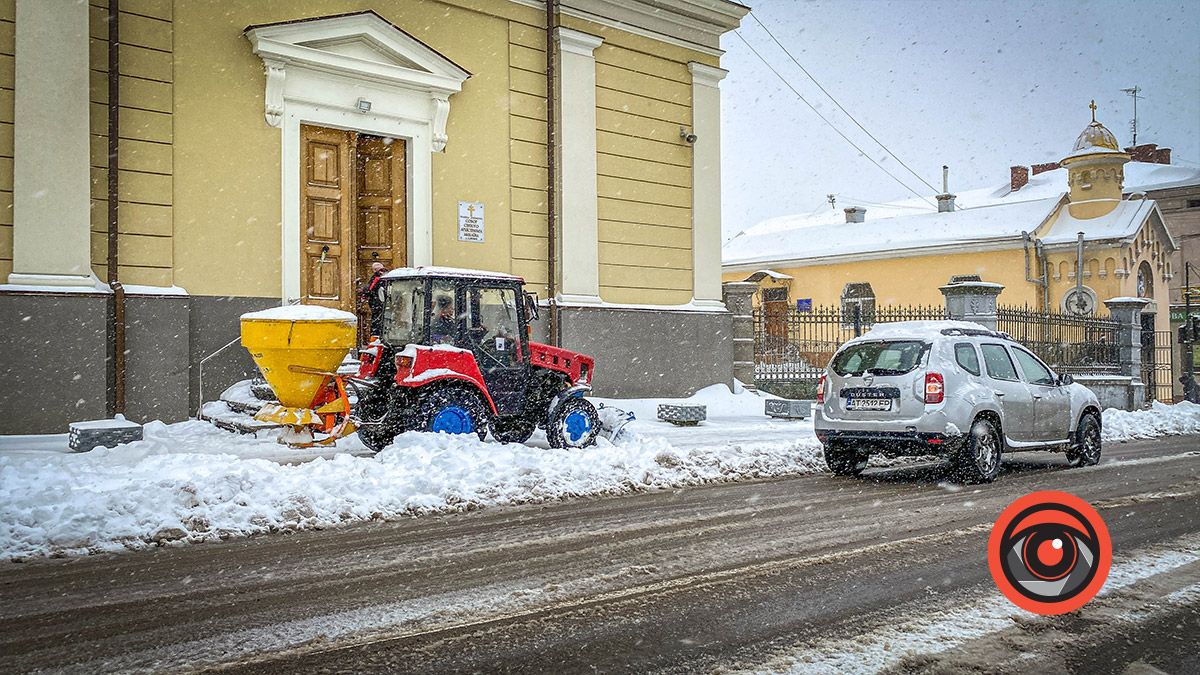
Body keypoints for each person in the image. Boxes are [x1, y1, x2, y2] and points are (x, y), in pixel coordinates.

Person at [358, 262, 387, 337]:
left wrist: (363, 295)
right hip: (386, 303)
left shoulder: (377, 277)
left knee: (376, 321)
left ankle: (375, 337)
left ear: (374, 270)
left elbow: (370, 288)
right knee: (384, 320)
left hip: (377, 302)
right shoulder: (388, 275)